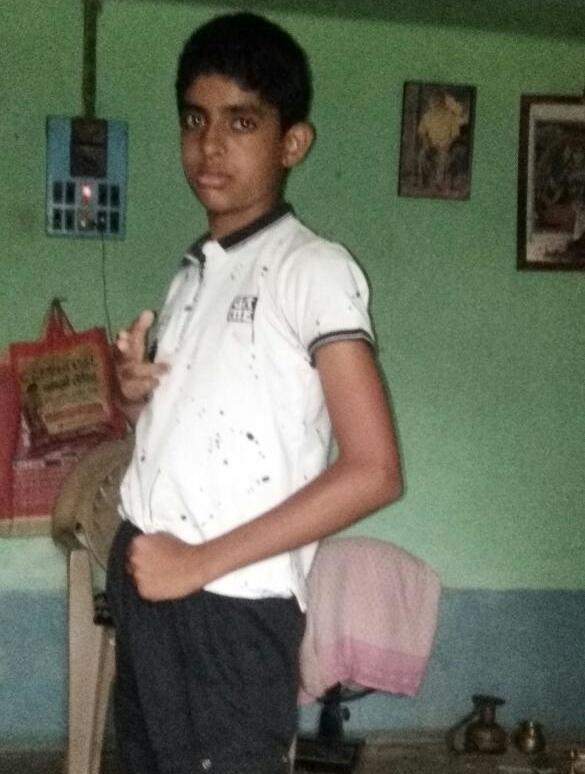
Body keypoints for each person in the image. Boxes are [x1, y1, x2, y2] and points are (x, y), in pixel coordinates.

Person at [108, 12, 402, 774]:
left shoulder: (313, 269)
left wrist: (197, 563)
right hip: (150, 575)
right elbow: (210, 432)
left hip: (227, 604)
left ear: (291, 142)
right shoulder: (194, 270)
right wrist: (137, 398)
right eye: (194, 120)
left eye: (240, 122)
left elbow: (374, 470)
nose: (210, 145)